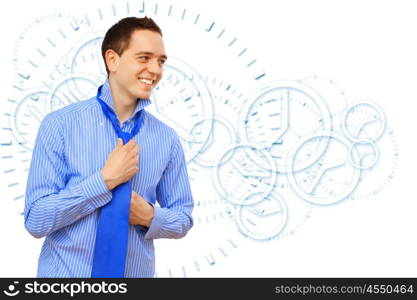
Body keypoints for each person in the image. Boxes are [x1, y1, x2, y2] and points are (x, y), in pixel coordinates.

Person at [24, 16, 194, 278]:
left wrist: (149, 217)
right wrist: (103, 182)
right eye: (144, 58)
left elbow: (183, 218)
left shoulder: (166, 139)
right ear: (112, 60)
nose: (155, 70)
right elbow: (36, 220)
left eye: (161, 61)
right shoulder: (59, 125)